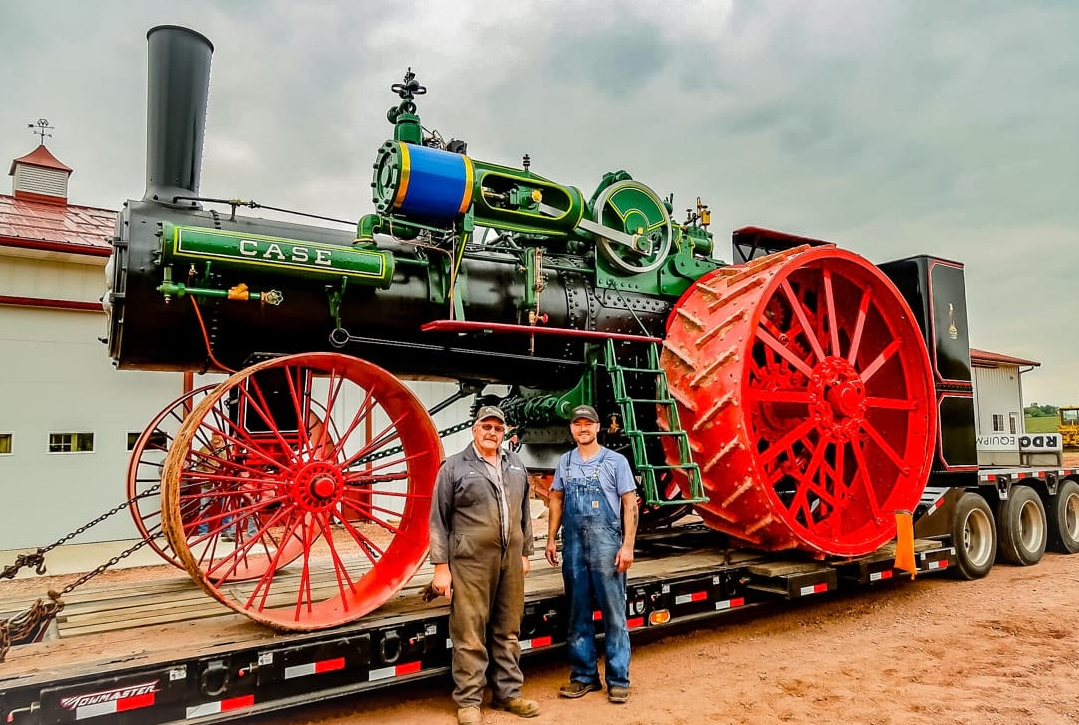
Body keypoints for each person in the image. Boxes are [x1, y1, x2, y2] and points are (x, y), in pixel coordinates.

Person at [429, 406, 540, 725]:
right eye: (486, 426)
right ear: (474, 429)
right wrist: (441, 567)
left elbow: (524, 513)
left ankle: (508, 694)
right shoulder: (454, 466)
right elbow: (438, 519)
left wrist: (524, 553)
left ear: (504, 432)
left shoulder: (515, 464)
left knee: (508, 629)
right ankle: (469, 701)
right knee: (470, 631)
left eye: (498, 428)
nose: (492, 432)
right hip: (470, 560)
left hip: (510, 559)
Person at [545, 404, 638, 704]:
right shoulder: (565, 462)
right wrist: (551, 539)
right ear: (571, 428)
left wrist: (627, 546)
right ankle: (584, 676)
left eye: (588, 424)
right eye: (577, 424)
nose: (582, 429)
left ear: (598, 427)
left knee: (614, 615)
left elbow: (630, 504)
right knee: (577, 613)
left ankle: (618, 679)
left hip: (607, 548)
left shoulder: (616, 461)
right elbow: (556, 499)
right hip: (573, 547)